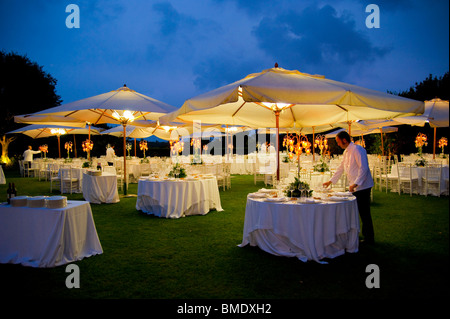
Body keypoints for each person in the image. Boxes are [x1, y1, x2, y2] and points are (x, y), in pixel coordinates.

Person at [323, 131, 375, 244]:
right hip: (355, 186)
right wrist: (331, 181)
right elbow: (341, 168)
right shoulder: (346, 152)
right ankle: (356, 236)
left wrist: (356, 183)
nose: (337, 144)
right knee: (355, 212)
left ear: (344, 140)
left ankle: (369, 238)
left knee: (364, 213)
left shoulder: (357, 149)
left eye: (338, 142)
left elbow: (363, 168)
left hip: (363, 186)